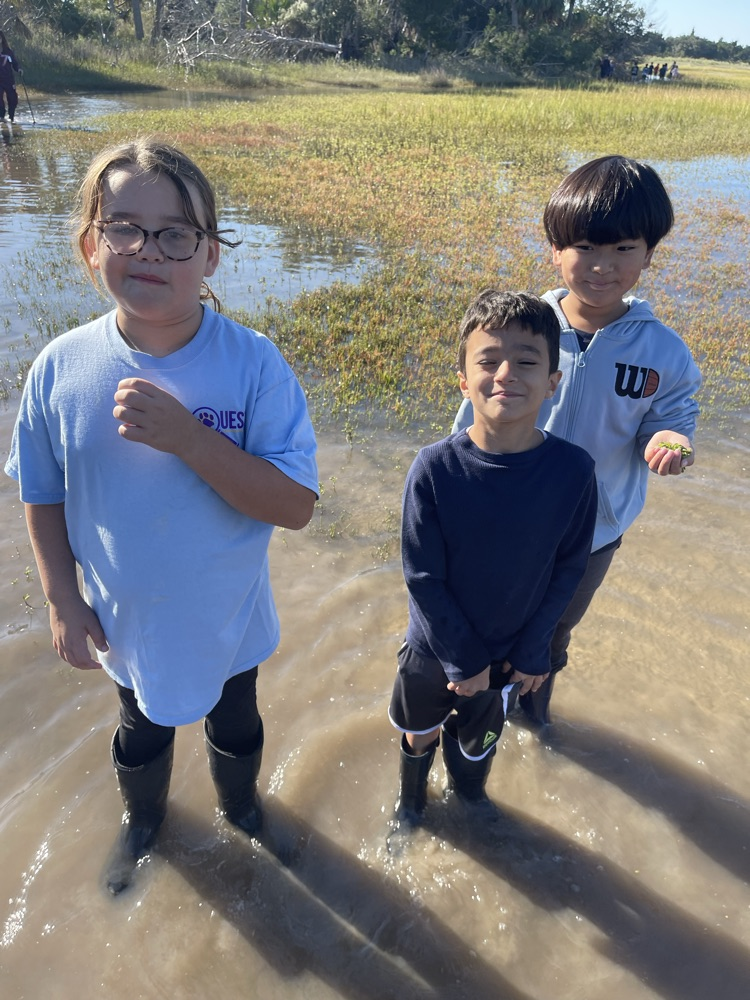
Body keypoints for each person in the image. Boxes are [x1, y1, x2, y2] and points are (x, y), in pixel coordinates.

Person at [5, 139, 319, 893]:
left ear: (211, 255)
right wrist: (61, 599)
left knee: (234, 719)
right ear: (91, 245)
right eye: (124, 228)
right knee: (140, 727)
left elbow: (296, 506)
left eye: (177, 234)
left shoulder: (254, 363)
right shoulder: (60, 366)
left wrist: (189, 439)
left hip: (230, 615)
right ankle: (143, 826)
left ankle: (242, 810)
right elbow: (40, 491)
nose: (149, 251)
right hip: (123, 619)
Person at [452, 156, 701, 726]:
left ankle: (533, 719)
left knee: (552, 636)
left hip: (592, 534)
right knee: (486, 625)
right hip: (505, 521)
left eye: (623, 250)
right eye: (586, 247)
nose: (601, 267)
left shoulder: (663, 351)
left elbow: (672, 415)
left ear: (649, 252)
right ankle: (478, 718)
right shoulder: (522, 329)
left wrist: (670, 440)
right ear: (557, 248)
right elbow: (472, 415)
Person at [389, 291, 597, 833]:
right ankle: (410, 806)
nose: (507, 374)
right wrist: (464, 661)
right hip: (434, 649)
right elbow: (422, 577)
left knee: (481, 736)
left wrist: (532, 651)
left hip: (509, 654)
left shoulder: (574, 471)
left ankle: (469, 798)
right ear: (462, 379)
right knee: (421, 730)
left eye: (527, 361)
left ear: (554, 381)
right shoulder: (433, 468)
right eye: (488, 361)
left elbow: (568, 568)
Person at [0, 31, 20, 123]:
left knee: (13, 99)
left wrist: (19, 69)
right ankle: (1, 116)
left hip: (9, 79)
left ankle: (11, 117)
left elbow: (15, 64)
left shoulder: (8, 51)